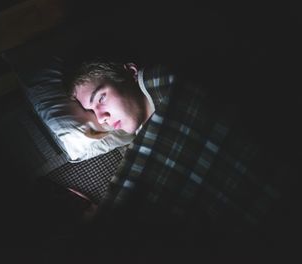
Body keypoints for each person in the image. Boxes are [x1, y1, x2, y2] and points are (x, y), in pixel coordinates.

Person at [64, 58, 295, 251]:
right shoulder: (143, 147)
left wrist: (108, 214)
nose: (101, 116)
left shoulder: (173, 84)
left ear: (130, 73)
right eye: (92, 112)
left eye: (101, 98)